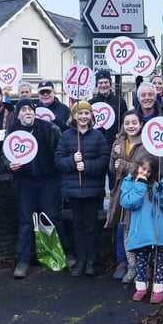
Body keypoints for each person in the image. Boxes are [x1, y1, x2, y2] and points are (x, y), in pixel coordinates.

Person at [5, 98, 73, 279]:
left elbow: (61, 148)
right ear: (18, 114)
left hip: (48, 179)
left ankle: (66, 253)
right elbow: (5, 156)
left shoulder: (48, 128)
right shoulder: (12, 132)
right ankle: (23, 261)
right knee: (25, 221)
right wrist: (10, 165)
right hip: (25, 182)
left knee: (53, 218)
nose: (28, 112)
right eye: (23, 109)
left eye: (30, 109)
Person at [55, 101, 109, 276]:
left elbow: (104, 160)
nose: (83, 116)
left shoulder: (98, 136)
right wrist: (72, 160)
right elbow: (59, 161)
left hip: (92, 190)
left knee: (91, 225)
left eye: (87, 113)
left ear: (91, 116)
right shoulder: (66, 136)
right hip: (73, 190)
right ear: (74, 116)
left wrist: (87, 166)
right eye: (80, 113)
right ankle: (81, 260)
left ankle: (92, 260)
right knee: (77, 226)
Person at [120, 153, 163, 304]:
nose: (145, 173)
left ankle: (158, 288)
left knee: (159, 260)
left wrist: (161, 191)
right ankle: (141, 286)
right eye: (143, 169)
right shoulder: (129, 181)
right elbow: (128, 202)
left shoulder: (157, 182)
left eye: (149, 171)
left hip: (158, 228)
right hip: (141, 229)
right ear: (137, 167)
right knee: (141, 259)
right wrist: (140, 184)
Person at [107, 110, 149, 283]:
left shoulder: (146, 144)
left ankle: (142, 265)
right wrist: (114, 155)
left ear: (140, 124)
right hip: (121, 192)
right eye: (127, 123)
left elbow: (144, 168)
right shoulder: (119, 142)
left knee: (137, 227)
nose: (130, 126)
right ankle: (127, 263)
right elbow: (112, 168)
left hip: (139, 191)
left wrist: (123, 165)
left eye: (134, 122)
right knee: (123, 226)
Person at [134, 82, 163, 189]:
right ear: (139, 98)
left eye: (150, 94)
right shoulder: (132, 119)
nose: (147, 98)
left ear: (155, 96)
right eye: (143, 95)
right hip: (140, 173)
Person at [90, 70, 128, 191]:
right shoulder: (91, 103)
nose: (103, 85)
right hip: (97, 148)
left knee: (115, 181)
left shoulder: (120, 101)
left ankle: (115, 208)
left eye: (106, 82)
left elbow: (124, 122)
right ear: (97, 85)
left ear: (110, 84)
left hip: (115, 146)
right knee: (97, 181)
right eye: (100, 82)